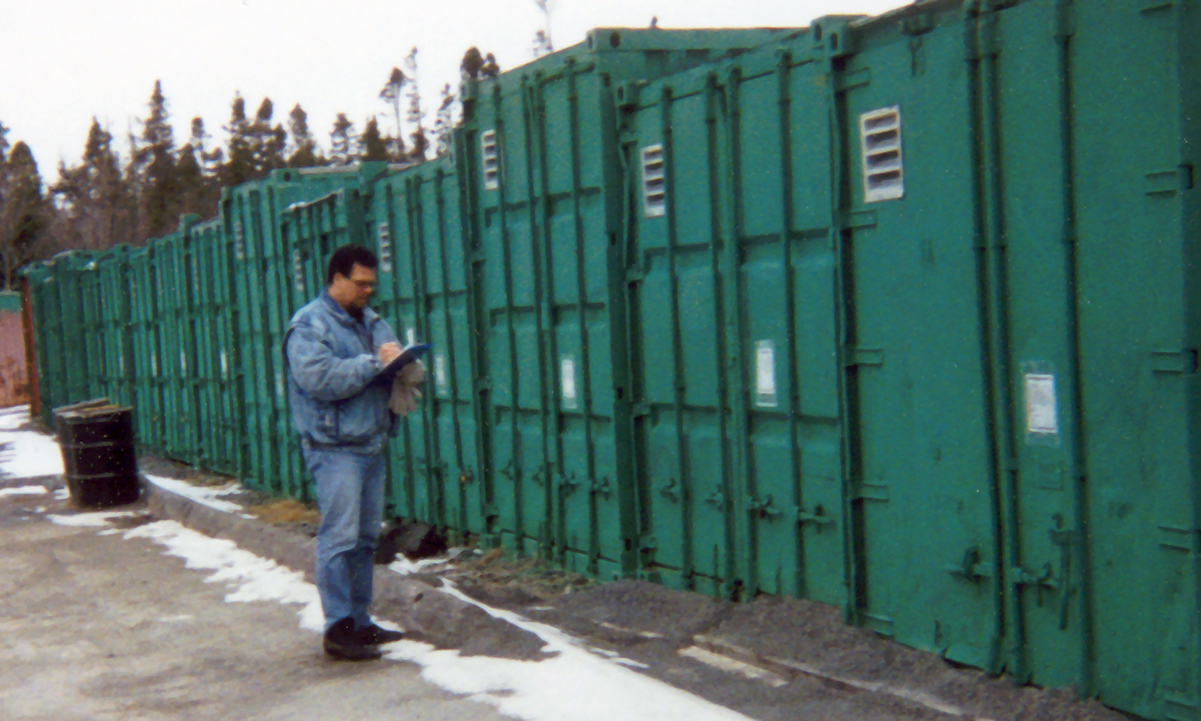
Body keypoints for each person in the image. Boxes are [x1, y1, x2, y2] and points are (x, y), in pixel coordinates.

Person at [284, 244, 412, 661]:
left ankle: (360, 621)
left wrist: (405, 365)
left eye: (372, 284)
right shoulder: (308, 325)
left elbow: (388, 358)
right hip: (334, 449)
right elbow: (320, 379)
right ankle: (337, 629)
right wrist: (373, 364)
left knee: (363, 539)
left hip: (371, 443)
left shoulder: (371, 321)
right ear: (336, 278)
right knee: (339, 537)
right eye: (360, 283)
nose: (368, 291)